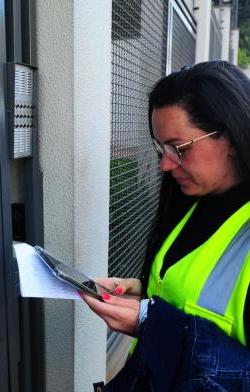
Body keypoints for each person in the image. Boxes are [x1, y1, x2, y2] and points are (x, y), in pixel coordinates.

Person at [79, 60, 250, 391]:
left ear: (230, 135)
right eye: (161, 148)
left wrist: (149, 321)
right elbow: (196, 292)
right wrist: (145, 291)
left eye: (179, 148)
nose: (165, 164)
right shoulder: (191, 202)